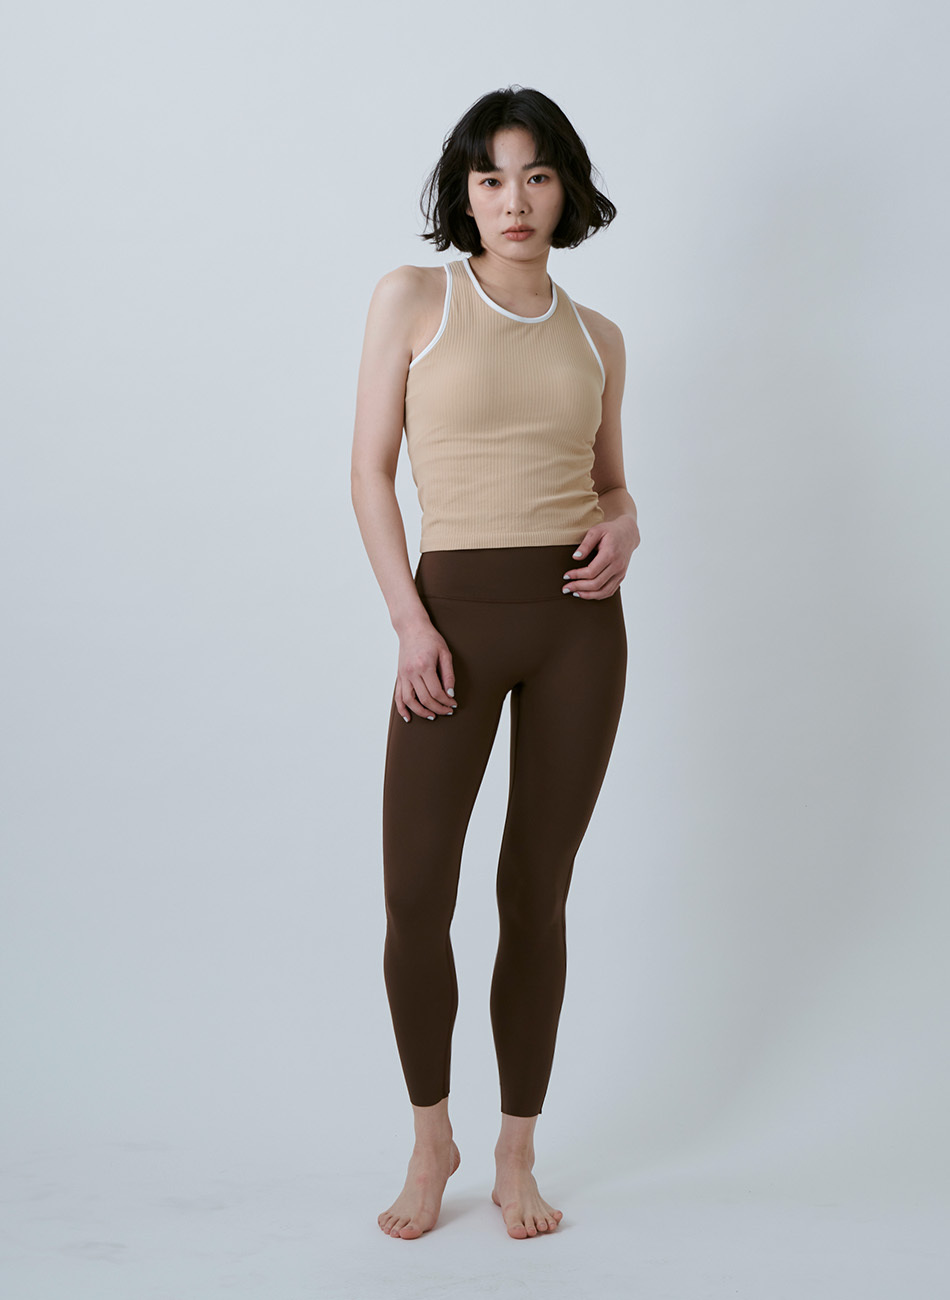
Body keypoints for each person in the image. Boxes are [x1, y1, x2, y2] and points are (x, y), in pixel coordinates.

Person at [350, 86, 640, 1241]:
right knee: (415, 895)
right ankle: (432, 1139)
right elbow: (369, 472)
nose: (512, 201)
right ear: (462, 194)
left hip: (577, 628)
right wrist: (409, 623)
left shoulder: (597, 335)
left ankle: (517, 1151)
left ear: (564, 190)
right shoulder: (413, 298)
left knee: (535, 893)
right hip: (451, 621)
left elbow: (608, 482)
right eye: (489, 178)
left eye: (534, 176)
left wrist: (626, 522)